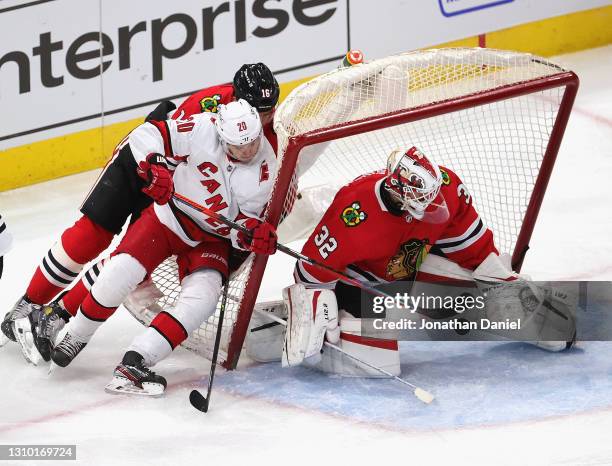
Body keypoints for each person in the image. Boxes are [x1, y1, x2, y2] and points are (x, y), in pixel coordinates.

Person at [1, 63, 280, 359]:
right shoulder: (207, 109)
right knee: (92, 234)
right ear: (236, 98)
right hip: (148, 161)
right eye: (257, 110)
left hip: (179, 188)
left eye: (269, 110)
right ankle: (28, 305)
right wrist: (157, 173)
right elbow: (160, 139)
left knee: (128, 255)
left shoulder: (261, 138)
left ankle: (52, 317)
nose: (263, 119)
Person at [248, 147, 575, 377]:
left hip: (410, 271)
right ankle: (280, 330)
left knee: (482, 295)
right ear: (400, 195)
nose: (435, 204)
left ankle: (524, 318)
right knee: (382, 363)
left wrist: (502, 285)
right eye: (424, 201)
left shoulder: (444, 186)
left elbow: (473, 250)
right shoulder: (353, 215)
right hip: (362, 284)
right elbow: (309, 272)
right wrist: (316, 316)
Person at [49, 99, 277, 396]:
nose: (248, 151)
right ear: (222, 136)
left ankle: (136, 361)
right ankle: (76, 335)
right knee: (120, 271)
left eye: (252, 142)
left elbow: (240, 231)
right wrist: (155, 164)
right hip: (169, 219)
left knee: (202, 300)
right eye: (238, 146)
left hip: (211, 240)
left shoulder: (266, 168)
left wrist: (249, 235)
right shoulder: (201, 128)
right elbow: (148, 134)